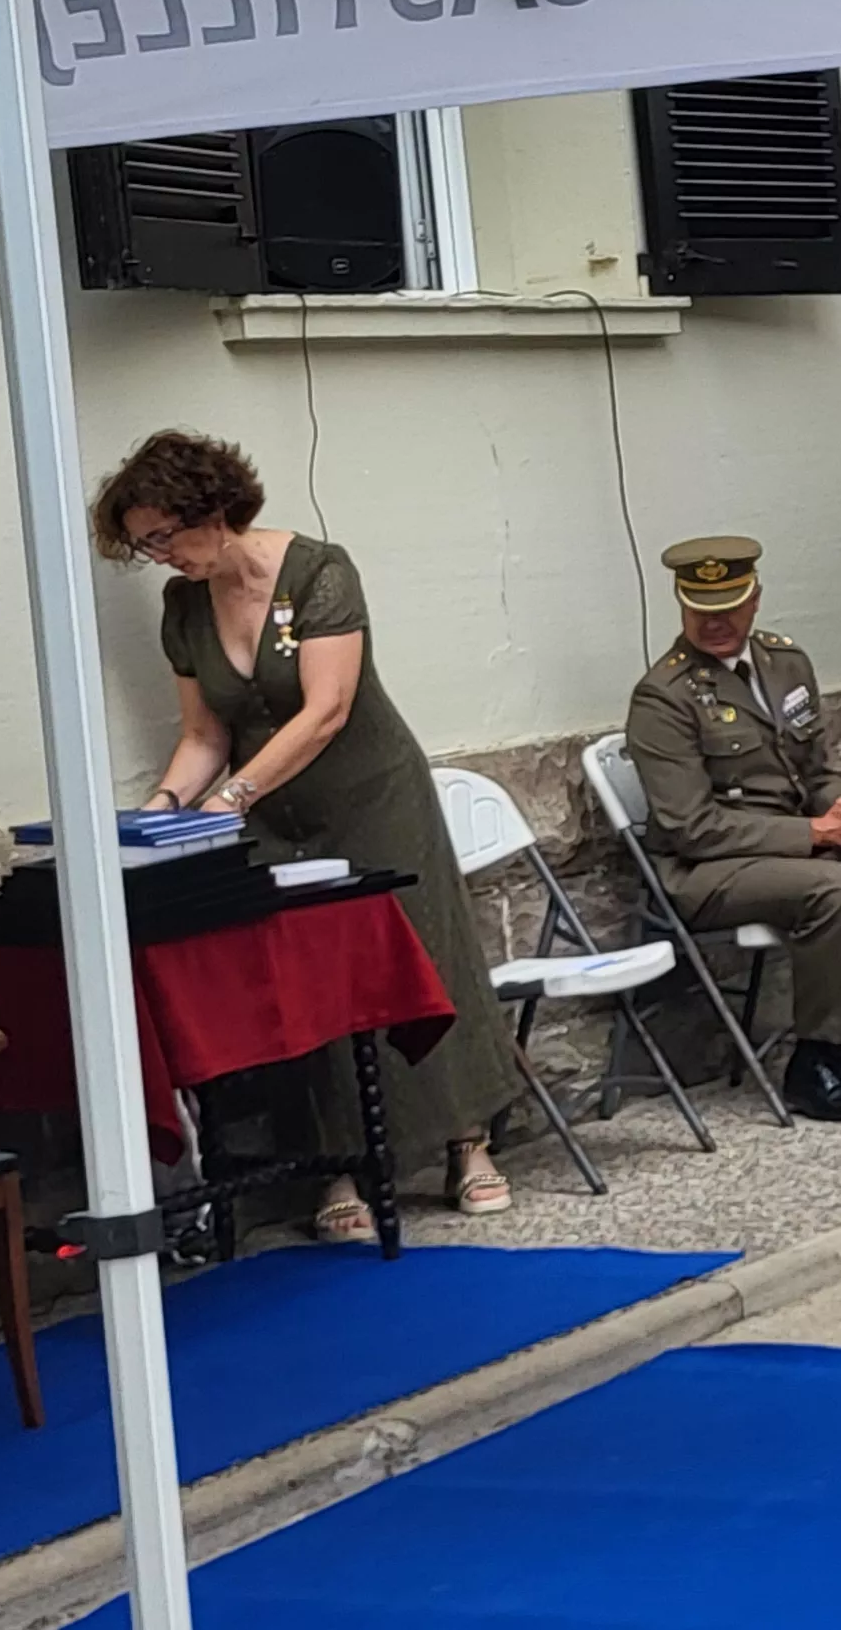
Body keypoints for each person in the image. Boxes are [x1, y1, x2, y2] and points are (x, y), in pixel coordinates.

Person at [95, 431, 520, 1236]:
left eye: (163, 535)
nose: (159, 556)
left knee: (423, 954)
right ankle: (339, 1165)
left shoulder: (319, 571)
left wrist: (233, 796)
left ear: (210, 509)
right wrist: (162, 810)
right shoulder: (183, 606)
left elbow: (326, 710)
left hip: (370, 796)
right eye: (143, 545)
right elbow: (205, 735)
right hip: (273, 813)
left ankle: (468, 1144)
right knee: (304, 982)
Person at [626, 538, 841, 1121]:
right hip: (705, 872)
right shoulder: (664, 697)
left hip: (797, 849)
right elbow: (692, 828)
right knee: (833, 885)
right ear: (681, 605)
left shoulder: (785, 663)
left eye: (729, 606)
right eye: (701, 609)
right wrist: (821, 833)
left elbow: (814, 772)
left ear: (755, 598)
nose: (715, 622)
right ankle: (816, 1058)